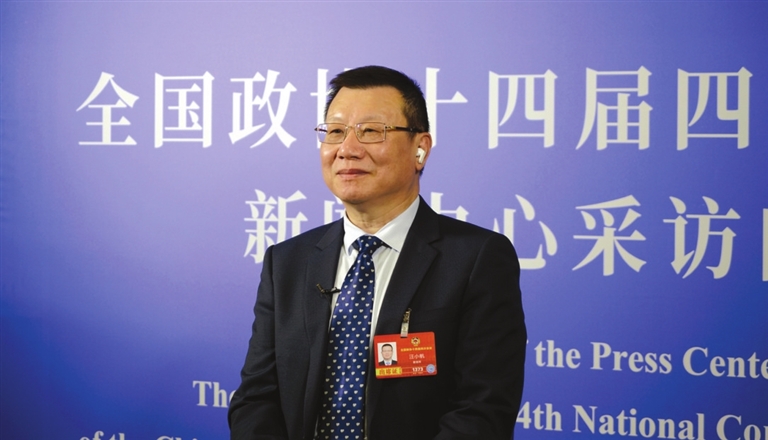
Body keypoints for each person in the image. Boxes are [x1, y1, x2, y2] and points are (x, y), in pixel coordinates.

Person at [228, 65, 526, 440]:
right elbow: (255, 398)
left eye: (371, 131)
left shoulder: (476, 259)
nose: (347, 150)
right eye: (335, 132)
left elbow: (482, 411)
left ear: (420, 148)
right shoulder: (287, 262)